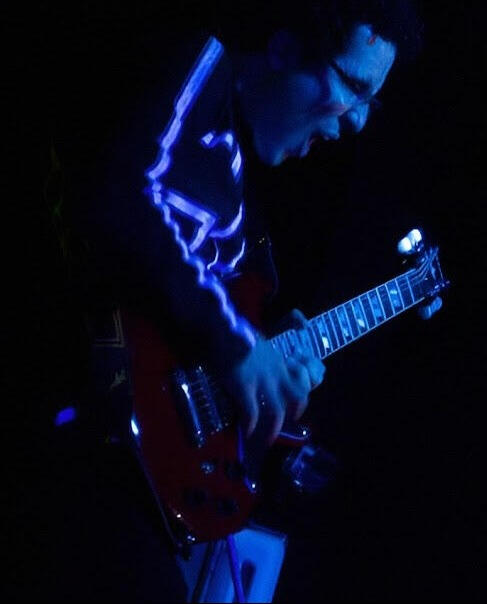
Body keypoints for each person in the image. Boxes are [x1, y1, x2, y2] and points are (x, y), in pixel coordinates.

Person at [22, 1, 438, 600]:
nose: (356, 122)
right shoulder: (201, 61)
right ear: (285, 47)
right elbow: (121, 194)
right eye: (354, 85)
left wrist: (268, 370)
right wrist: (238, 346)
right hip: (67, 420)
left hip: (132, 472)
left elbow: (199, 334)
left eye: (373, 102)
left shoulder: (250, 219)